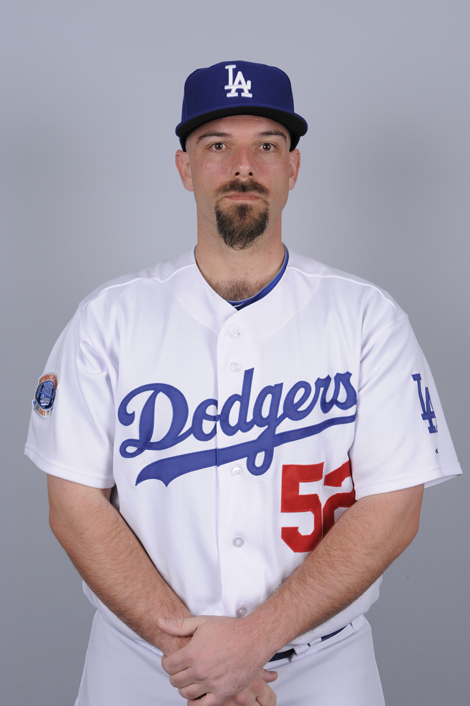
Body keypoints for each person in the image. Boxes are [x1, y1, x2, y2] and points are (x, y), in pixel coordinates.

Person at [25, 60, 461, 706]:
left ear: (293, 167)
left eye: (267, 146)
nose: (243, 167)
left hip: (323, 666)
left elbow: (394, 509)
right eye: (217, 146)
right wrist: (195, 657)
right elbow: (73, 504)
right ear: (185, 168)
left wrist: (253, 639)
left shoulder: (368, 318)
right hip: (144, 666)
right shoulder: (109, 318)